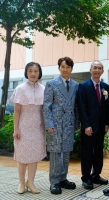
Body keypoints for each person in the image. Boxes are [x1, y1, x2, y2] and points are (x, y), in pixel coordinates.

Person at [43, 57, 79, 195]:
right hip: (56, 124)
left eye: (68, 67)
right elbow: (46, 106)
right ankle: (54, 182)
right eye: (63, 66)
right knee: (55, 152)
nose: (65, 69)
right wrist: (49, 124)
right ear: (59, 68)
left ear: (71, 69)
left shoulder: (76, 85)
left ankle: (63, 178)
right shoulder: (51, 84)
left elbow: (76, 106)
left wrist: (76, 123)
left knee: (66, 151)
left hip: (69, 123)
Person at [11, 62, 46, 194]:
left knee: (34, 156)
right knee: (22, 156)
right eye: (30, 71)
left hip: (38, 128)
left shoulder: (44, 89)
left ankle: (30, 182)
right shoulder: (20, 88)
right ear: (26, 72)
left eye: (36, 71)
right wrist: (16, 129)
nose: (33, 73)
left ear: (39, 73)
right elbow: (17, 111)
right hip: (23, 127)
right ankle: (21, 182)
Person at [77, 61, 109, 189]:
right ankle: (86, 178)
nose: (97, 70)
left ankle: (96, 175)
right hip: (89, 127)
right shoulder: (83, 86)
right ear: (90, 70)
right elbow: (82, 107)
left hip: (101, 126)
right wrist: (86, 125)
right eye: (95, 68)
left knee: (98, 152)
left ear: (102, 71)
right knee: (87, 153)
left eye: (99, 68)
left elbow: (108, 107)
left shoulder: (105, 87)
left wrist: (107, 123)